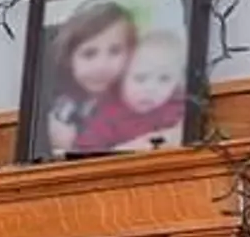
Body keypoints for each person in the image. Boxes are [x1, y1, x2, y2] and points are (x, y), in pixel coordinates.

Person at [31, 0, 138, 157]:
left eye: (115, 51)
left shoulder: (140, 97)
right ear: (69, 60)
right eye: (89, 54)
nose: (102, 65)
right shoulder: (65, 110)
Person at [76, 25, 190, 153]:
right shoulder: (107, 113)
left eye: (164, 79)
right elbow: (86, 151)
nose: (151, 89)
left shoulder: (177, 107)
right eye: (140, 78)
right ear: (121, 78)